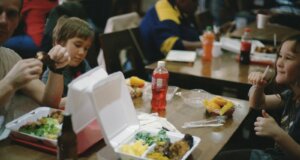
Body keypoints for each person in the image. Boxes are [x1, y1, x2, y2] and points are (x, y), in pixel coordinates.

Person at [214, 35, 300, 160]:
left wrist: (278, 134)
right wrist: (259, 86)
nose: (279, 63)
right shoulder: (291, 95)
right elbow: (258, 103)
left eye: (288, 58)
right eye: (280, 56)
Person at [0, 0, 69, 135]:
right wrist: (10, 83)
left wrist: (56, 69)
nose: (3, 20)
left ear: (19, 19)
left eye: (11, 14)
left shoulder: (9, 57)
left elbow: (49, 100)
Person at [42, 16, 94, 100]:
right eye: (77, 45)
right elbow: (48, 104)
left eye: (86, 48)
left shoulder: (84, 64)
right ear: (59, 43)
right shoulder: (51, 75)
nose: (82, 52)